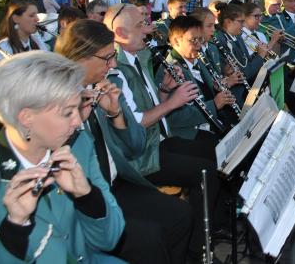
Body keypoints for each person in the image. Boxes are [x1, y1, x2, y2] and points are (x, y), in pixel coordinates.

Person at [55, 19, 195, 263]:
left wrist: (116, 114)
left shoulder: (106, 85)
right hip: (87, 199)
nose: (111, 65)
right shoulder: (58, 100)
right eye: (106, 58)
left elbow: (135, 147)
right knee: (149, 239)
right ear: (80, 56)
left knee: (181, 214)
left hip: (116, 182)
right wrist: (76, 123)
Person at [103, 3, 226, 253]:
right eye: (140, 26)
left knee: (218, 153)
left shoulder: (139, 58)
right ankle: (198, 249)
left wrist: (164, 91)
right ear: (120, 33)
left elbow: (151, 107)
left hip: (158, 142)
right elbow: (135, 123)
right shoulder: (117, 71)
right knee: (206, 171)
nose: (147, 30)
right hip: (144, 156)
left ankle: (212, 228)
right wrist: (172, 102)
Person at [0, 51, 124, 263]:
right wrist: (15, 227)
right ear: (27, 118)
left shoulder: (78, 145)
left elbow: (109, 239)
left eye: (77, 108)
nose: (78, 122)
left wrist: (87, 195)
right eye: (68, 112)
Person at [163, 16, 239, 136]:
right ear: (177, 41)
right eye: (193, 40)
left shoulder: (199, 61)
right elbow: (174, 118)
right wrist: (214, 104)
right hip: (191, 135)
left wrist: (217, 88)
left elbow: (205, 93)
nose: (199, 46)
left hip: (213, 124)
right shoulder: (169, 70)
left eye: (200, 40)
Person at [213, 3, 269, 116]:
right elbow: (243, 73)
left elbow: (245, 63)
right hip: (236, 97)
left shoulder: (237, 37)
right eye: (240, 21)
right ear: (228, 22)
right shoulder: (220, 41)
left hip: (246, 92)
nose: (243, 26)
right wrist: (260, 56)